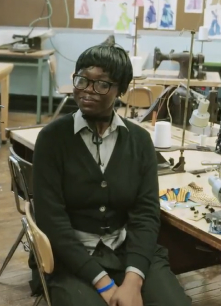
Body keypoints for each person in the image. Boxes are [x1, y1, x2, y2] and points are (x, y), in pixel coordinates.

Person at [32, 44, 190, 306]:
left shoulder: (139, 141)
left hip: (127, 252)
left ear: (122, 90)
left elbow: (146, 214)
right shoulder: (51, 140)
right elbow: (52, 222)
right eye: (82, 79)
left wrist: (133, 279)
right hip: (72, 258)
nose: (88, 91)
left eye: (102, 84)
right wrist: (102, 282)